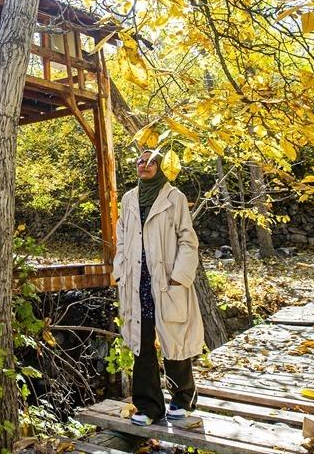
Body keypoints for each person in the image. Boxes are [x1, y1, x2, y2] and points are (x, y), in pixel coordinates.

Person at [113, 149, 204, 427]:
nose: (145, 164)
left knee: (174, 339)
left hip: (165, 281)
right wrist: (119, 270)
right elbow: (121, 238)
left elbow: (188, 240)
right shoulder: (129, 199)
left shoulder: (174, 198)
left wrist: (180, 277)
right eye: (140, 160)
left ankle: (182, 399)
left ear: (161, 166)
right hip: (136, 282)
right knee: (142, 344)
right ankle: (148, 405)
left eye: (151, 161)